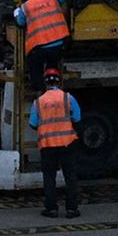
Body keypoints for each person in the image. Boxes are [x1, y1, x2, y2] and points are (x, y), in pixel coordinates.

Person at [29, 67, 80, 218]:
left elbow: (33, 123)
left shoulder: (38, 102)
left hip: (48, 145)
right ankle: (72, 209)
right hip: (67, 143)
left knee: (49, 177)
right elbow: (77, 117)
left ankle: (51, 209)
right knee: (70, 176)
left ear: (45, 83)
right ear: (60, 81)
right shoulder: (68, 98)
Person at [15, 0, 70, 90]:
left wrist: (16, 12)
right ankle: (54, 82)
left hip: (38, 48)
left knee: (35, 68)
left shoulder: (26, 6)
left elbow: (20, 23)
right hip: (58, 45)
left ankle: (38, 89)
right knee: (53, 63)